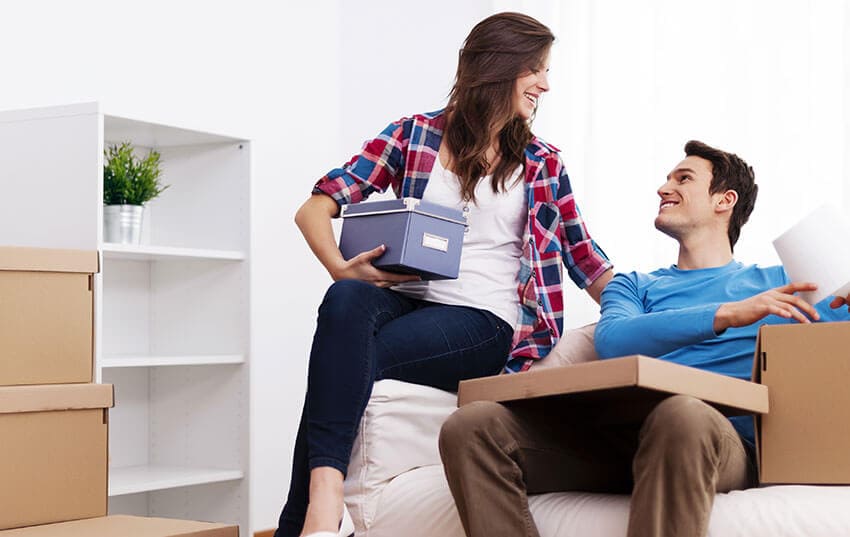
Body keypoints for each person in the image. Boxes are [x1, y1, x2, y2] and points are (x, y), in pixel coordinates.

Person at [275, 12, 613, 537]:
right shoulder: (414, 134)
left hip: (485, 319)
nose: (546, 84)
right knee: (344, 300)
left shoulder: (543, 164)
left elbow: (586, 259)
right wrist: (342, 267)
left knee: (348, 361)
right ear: (499, 68)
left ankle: (304, 519)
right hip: (407, 297)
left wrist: (650, 309)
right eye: (537, 69)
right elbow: (314, 208)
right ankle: (325, 503)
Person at [438, 140, 850, 537]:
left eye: (683, 178)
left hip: (713, 440)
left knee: (681, 413)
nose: (663, 187)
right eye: (667, 177)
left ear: (725, 200)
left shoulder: (784, 285)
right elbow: (615, 340)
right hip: (620, 440)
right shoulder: (634, 287)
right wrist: (726, 314)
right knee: (472, 427)